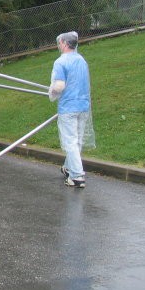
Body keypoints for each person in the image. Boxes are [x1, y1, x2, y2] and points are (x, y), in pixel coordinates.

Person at [49, 31, 93, 188]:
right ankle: (69, 168)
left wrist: (52, 91)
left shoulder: (61, 62)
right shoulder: (81, 60)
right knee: (77, 140)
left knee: (70, 142)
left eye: (60, 42)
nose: (59, 45)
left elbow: (59, 86)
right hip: (83, 105)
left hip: (68, 107)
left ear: (65, 43)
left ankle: (77, 176)